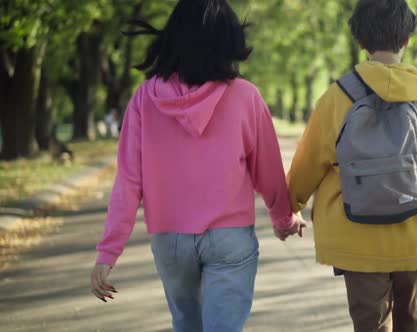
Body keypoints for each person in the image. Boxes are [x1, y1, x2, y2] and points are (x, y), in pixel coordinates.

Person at [90, 1, 306, 331]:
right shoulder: (246, 97)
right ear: (228, 42)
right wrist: (283, 219)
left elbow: (129, 182)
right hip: (229, 239)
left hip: (170, 240)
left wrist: (108, 253)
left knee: (187, 325)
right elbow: (269, 174)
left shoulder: (145, 99)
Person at [286, 0, 417, 331]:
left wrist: (288, 207)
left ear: (360, 41)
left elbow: (307, 163)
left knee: (369, 326)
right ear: (407, 39)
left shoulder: (336, 97)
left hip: (355, 238)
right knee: (411, 322)